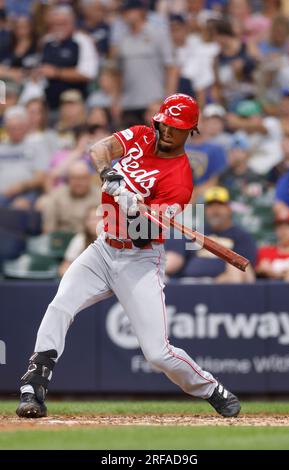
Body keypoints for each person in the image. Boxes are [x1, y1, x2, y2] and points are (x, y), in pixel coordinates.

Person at [16, 93, 240, 419]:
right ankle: (33, 386)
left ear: (190, 131)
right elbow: (98, 149)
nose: (166, 131)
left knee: (157, 353)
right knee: (60, 304)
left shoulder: (179, 179)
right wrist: (110, 174)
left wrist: (133, 207)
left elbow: (144, 233)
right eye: (164, 123)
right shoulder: (140, 136)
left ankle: (210, 388)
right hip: (102, 248)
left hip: (140, 259)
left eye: (175, 128)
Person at [165, 186, 257, 283]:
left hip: (222, 284)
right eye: (211, 205)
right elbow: (178, 258)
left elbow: (246, 269)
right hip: (189, 283)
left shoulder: (241, 236)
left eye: (220, 205)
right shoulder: (194, 233)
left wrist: (216, 282)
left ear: (229, 208)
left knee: (236, 270)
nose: (215, 210)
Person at [38, 5, 99, 110]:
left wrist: (57, 72)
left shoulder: (82, 41)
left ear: (72, 23)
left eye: (63, 23)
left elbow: (88, 73)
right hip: (50, 101)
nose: (59, 27)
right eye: (56, 24)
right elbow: (41, 69)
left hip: (76, 100)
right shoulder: (47, 41)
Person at [41, 161, 100, 234]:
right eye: (74, 178)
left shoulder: (100, 196)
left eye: (83, 178)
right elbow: (49, 229)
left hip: (92, 240)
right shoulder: (56, 196)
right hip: (64, 240)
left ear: (89, 178)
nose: (79, 182)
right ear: (68, 179)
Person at [256, 211, 289, 281]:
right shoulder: (265, 251)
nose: (283, 230)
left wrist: (275, 273)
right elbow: (257, 271)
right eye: (279, 226)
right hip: (270, 289)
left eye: (288, 226)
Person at [59, 205, 101, 276]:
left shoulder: (113, 239)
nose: (94, 223)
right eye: (91, 219)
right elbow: (64, 267)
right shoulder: (80, 239)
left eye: (98, 219)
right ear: (85, 222)